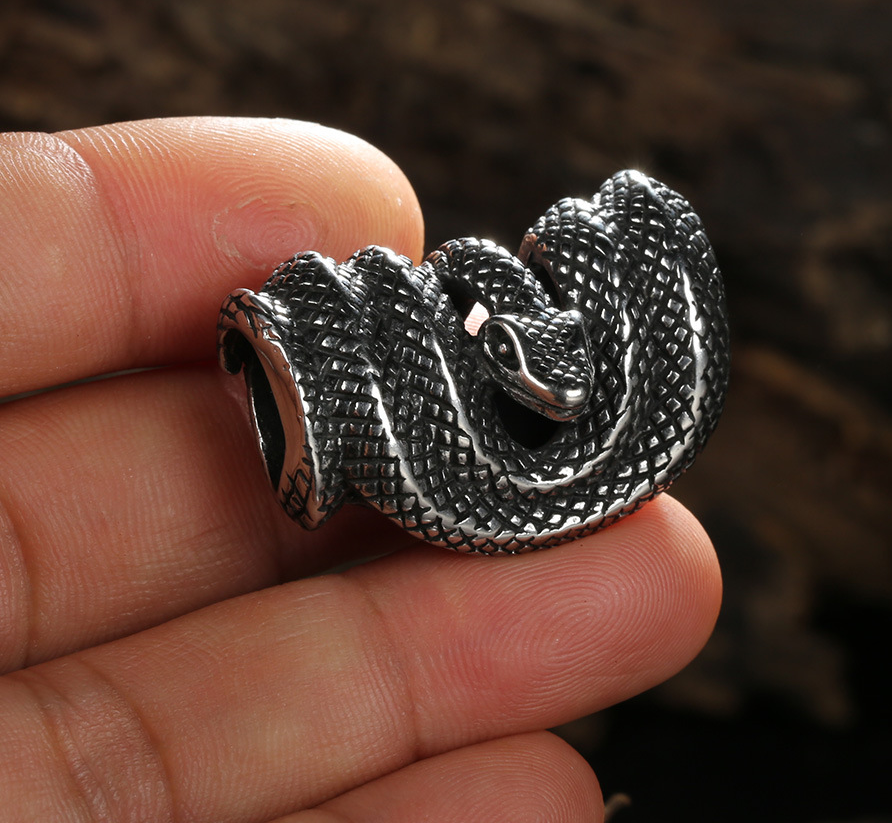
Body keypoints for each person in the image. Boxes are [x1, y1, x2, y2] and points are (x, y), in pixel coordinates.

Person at [0, 117, 721, 822]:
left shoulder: (570, 436)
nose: (556, 400)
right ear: (486, 327)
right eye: (512, 362)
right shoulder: (475, 302)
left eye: (569, 385)